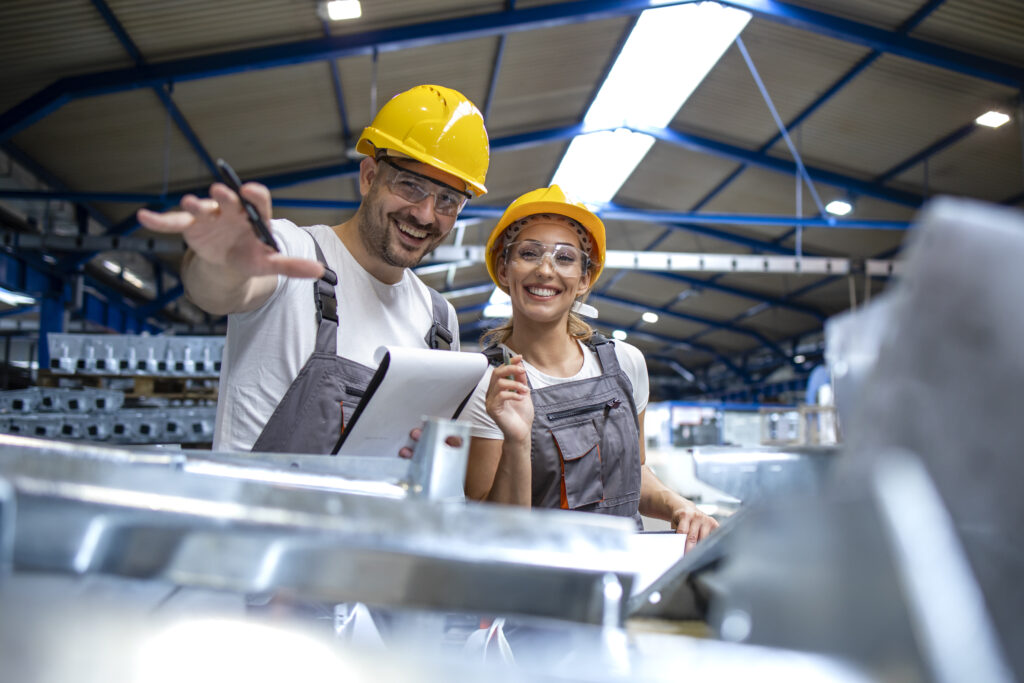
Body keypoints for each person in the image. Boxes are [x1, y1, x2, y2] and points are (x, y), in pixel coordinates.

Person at [138, 84, 489, 453]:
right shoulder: (294, 253)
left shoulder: (440, 321)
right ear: (369, 177)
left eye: (448, 200)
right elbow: (217, 291)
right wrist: (220, 262)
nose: (424, 214)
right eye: (411, 186)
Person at [464, 186, 718, 548]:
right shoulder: (489, 385)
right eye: (529, 253)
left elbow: (633, 474)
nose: (545, 269)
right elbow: (489, 529)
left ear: (584, 278)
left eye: (565, 258)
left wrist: (679, 507)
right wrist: (517, 442)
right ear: (504, 269)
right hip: (532, 586)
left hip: (624, 576)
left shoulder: (625, 364)